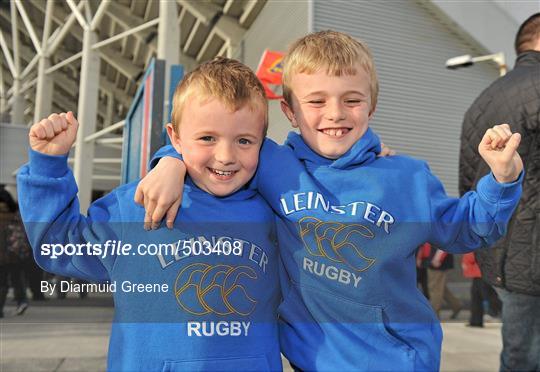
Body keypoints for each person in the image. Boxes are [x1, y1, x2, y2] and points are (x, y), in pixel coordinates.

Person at [136, 30, 524, 370]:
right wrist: (170, 162)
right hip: (311, 362)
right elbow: (216, 143)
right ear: (289, 111)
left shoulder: (406, 177)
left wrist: (502, 179)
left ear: (371, 106)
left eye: (352, 100)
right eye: (316, 102)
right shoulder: (272, 165)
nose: (335, 114)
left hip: (399, 361)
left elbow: (471, 228)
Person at [17, 58, 282, 371]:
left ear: (262, 144)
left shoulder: (276, 210)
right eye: (207, 138)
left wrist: (171, 161)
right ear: (175, 137)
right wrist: (48, 166)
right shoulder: (139, 204)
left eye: (244, 141)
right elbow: (58, 246)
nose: (225, 156)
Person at [459, 13, 540, 370]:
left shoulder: (482, 100)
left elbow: (467, 182)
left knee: (518, 353)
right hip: (532, 253)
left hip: (500, 254)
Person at [462, 252, 501, 328]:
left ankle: (501, 311)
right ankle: (476, 321)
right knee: (477, 297)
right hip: (478, 272)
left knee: (486, 296)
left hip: (481, 271)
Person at [423, 242, 461, 319]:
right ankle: (456, 305)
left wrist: (437, 259)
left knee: (435, 289)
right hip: (435, 260)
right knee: (440, 288)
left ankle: (434, 314)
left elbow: (444, 243)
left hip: (436, 262)